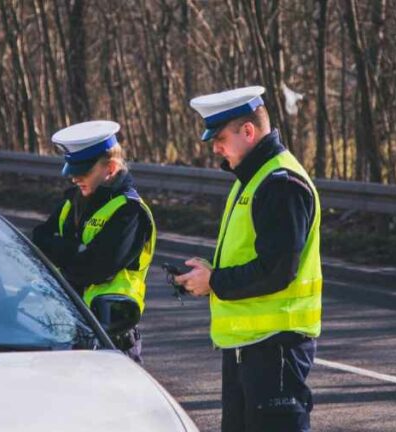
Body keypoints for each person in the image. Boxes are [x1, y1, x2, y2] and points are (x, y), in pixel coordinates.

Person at [175, 86, 322, 432]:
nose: (215, 148)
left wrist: (215, 281)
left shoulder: (279, 182)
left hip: (275, 348)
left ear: (248, 131)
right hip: (251, 348)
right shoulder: (253, 178)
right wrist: (212, 275)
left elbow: (277, 270)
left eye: (221, 138)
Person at [32, 120, 156, 363]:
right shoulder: (73, 203)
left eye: (83, 172)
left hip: (112, 332)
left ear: (109, 169)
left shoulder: (130, 211)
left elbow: (95, 268)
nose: (74, 179)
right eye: (73, 171)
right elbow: (38, 239)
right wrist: (76, 251)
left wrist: (63, 253)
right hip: (70, 326)